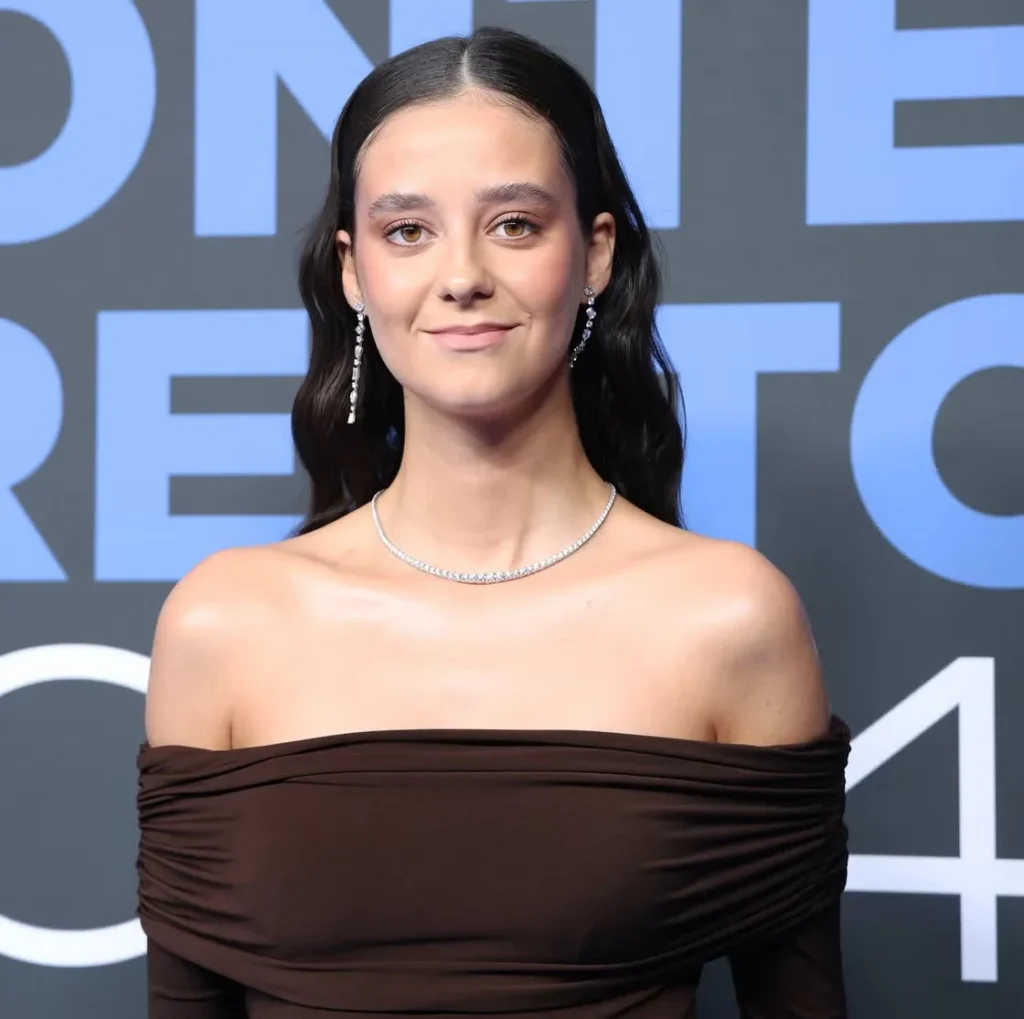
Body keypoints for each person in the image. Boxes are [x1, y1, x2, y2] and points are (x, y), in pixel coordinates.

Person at [136, 26, 849, 1019]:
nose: (462, 273)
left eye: (514, 224)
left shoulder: (728, 617)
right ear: (353, 271)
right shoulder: (225, 622)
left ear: (594, 252)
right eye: (406, 230)